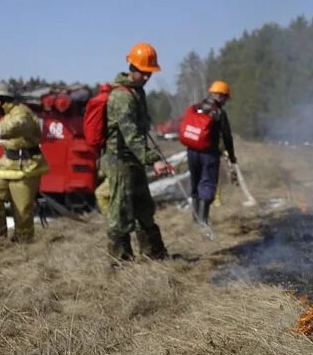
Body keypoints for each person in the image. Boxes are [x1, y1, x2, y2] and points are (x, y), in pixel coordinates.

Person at [102, 42, 172, 260]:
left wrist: (150, 156)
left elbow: (140, 131)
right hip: (120, 162)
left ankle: (154, 254)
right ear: (132, 67)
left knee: (144, 208)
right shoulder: (122, 97)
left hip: (135, 160)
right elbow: (131, 136)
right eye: (144, 72)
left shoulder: (137, 92)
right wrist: (154, 159)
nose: (147, 77)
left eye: (150, 73)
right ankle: (120, 262)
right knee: (120, 213)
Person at [0, 82, 50, 242]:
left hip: (26, 166)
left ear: (5, 99)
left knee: (21, 211)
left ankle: (23, 244)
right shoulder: (6, 113)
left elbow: (10, 128)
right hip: (7, 163)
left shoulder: (21, 113)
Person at [185, 80, 238, 226]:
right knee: (207, 185)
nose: (226, 101)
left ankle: (195, 221)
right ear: (221, 96)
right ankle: (203, 221)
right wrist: (232, 156)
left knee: (195, 184)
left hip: (191, 152)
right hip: (209, 154)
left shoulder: (195, 108)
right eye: (226, 97)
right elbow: (227, 136)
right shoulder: (219, 112)